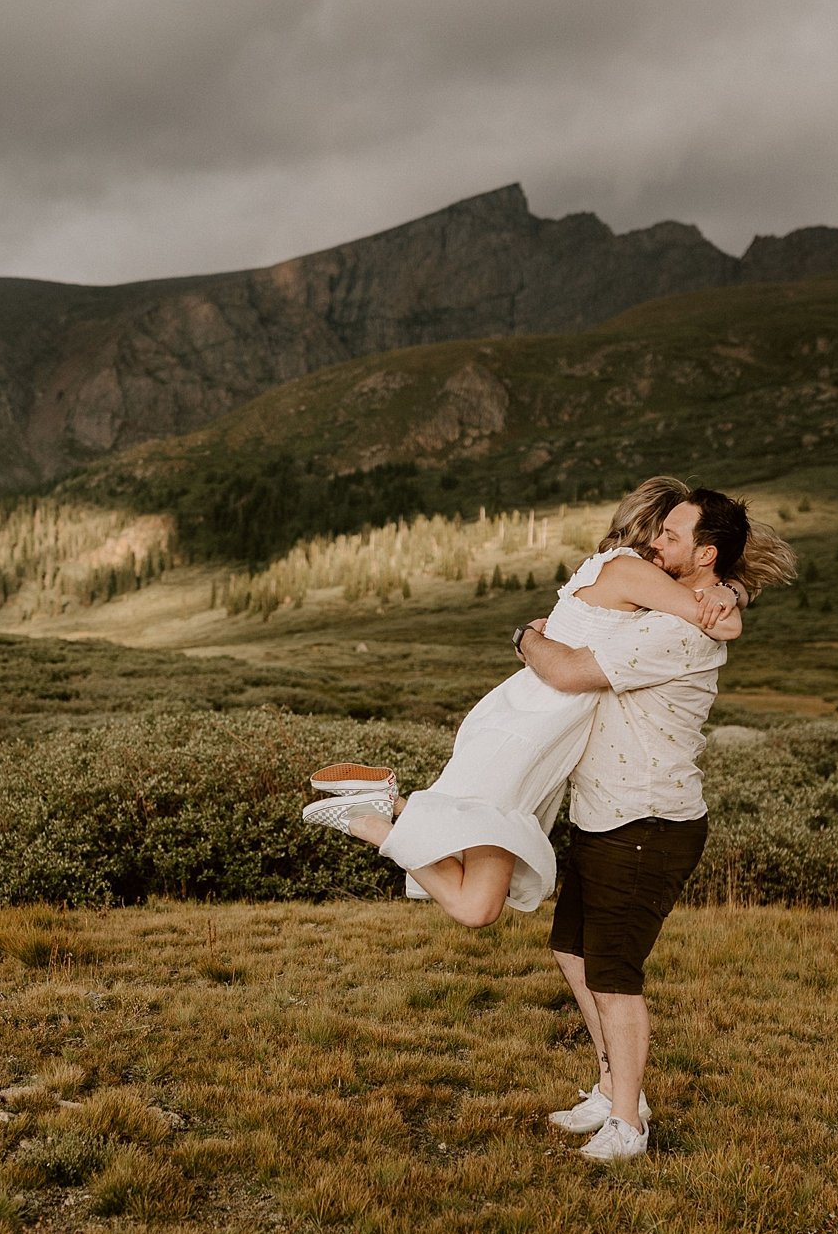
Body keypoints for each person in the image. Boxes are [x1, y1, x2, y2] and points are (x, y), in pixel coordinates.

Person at [299, 476, 756, 930]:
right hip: (530, 730)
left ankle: (383, 808)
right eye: (662, 532)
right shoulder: (627, 570)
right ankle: (374, 816)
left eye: (670, 537)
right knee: (474, 905)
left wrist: (732, 588)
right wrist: (724, 594)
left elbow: (714, 597)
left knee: (477, 904)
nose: (660, 543)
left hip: (539, 728)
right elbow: (723, 626)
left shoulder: (625, 573)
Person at [513, 485, 794, 1163]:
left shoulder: (678, 629)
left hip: (646, 820)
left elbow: (573, 671)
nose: (654, 543)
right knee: (573, 953)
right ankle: (615, 1091)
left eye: (671, 536)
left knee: (614, 977)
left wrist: (523, 638)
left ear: (706, 553)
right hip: (606, 813)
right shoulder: (679, 604)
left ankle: (630, 1126)